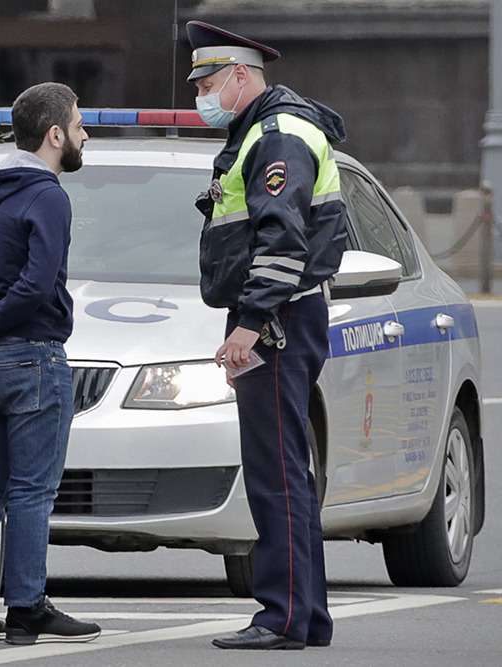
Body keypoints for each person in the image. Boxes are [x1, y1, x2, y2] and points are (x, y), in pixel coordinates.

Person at [187, 20, 349, 650]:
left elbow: (282, 240)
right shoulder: (264, 130)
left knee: (275, 471)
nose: (200, 93)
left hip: (277, 319)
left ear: (239, 75)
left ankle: (280, 615)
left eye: (206, 81)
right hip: (283, 316)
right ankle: (305, 615)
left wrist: (250, 325)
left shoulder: (276, 136)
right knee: (288, 471)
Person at [0, 82, 100, 646]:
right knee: (33, 490)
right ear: (54, 135)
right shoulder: (48, 195)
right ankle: (28, 606)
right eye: (79, 126)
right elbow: (37, 285)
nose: (84, 135)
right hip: (33, 356)